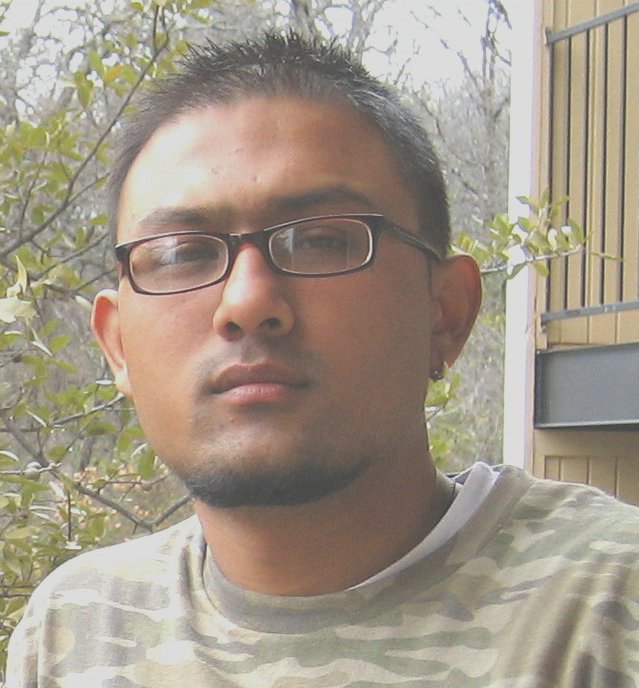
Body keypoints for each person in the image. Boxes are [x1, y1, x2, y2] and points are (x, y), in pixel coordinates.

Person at [6, 31, 639, 688]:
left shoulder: (605, 609)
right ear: (116, 345)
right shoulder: (76, 631)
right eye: (181, 254)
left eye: (320, 241)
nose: (247, 302)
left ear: (445, 312)